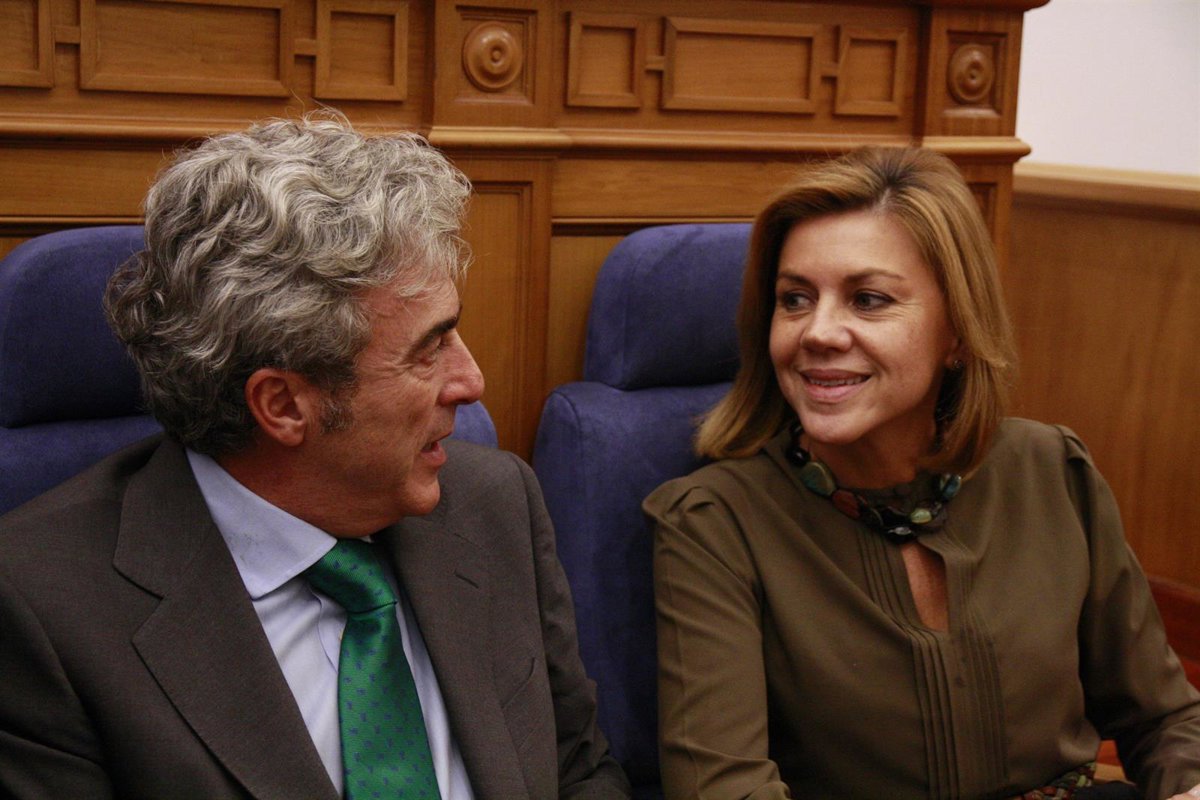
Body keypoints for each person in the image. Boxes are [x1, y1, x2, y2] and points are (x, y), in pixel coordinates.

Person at [0, 114, 630, 800]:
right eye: (429, 349)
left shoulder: (494, 503)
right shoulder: (43, 614)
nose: (471, 381)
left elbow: (578, 772)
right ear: (283, 406)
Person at [644, 147, 1200, 800]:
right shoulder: (713, 523)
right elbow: (725, 790)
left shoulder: (1052, 468)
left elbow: (1166, 719)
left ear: (957, 331)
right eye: (795, 299)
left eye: (868, 300)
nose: (818, 332)